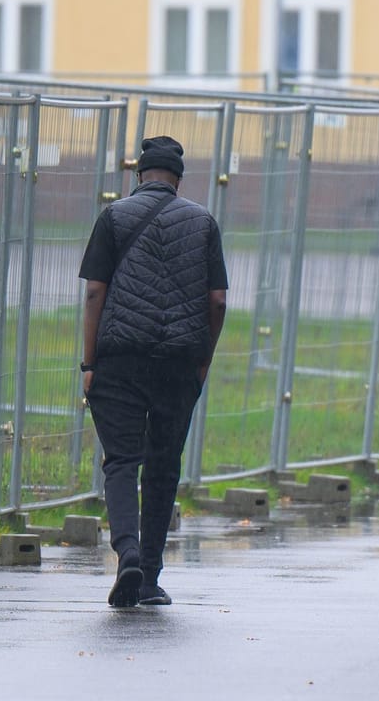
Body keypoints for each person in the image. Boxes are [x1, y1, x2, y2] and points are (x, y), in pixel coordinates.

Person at [78, 135, 229, 607]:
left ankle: (127, 554)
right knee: (163, 467)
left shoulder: (114, 217)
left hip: (119, 358)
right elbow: (218, 300)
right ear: (178, 179)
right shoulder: (203, 222)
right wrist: (203, 358)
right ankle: (149, 578)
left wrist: (89, 362)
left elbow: (94, 293)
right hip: (179, 362)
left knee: (121, 460)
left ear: (139, 175)